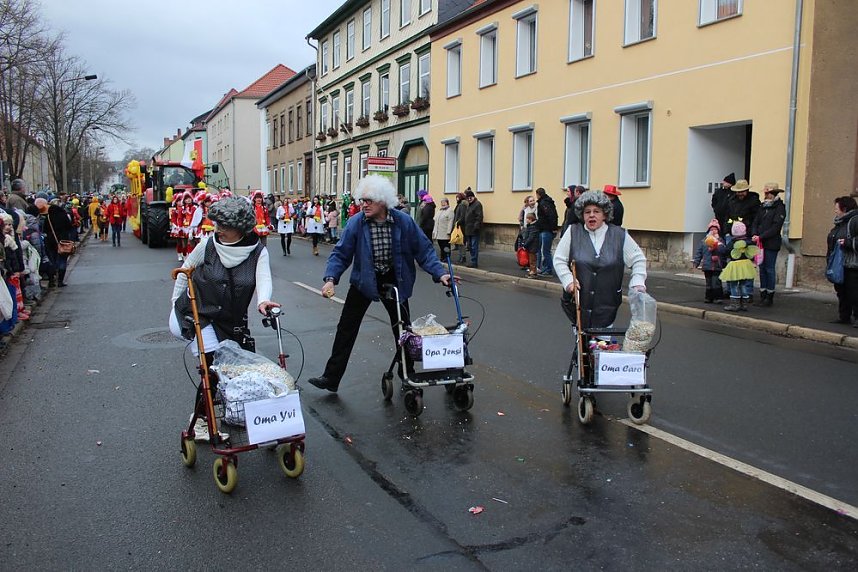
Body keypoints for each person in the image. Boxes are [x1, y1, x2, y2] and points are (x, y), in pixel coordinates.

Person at [305, 175, 453, 393]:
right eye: (362, 200)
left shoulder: (404, 222)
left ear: (383, 201)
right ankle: (331, 377)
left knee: (403, 330)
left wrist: (440, 273)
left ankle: (407, 375)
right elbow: (341, 254)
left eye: (368, 201)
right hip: (364, 280)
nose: (363, 204)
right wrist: (330, 280)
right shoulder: (357, 223)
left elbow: (423, 250)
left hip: (395, 279)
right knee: (346, 328)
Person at [552, 190, 647, 329]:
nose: (591, 215)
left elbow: (638, 260)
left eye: (596, 211)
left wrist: (638, 281)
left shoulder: (619, 235)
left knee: (602, 345)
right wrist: (568, 281)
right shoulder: (573, 232)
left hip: (607, 304)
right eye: (587, 212)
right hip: (578, 304)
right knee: (582, 346)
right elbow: (559, 259)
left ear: (604, 214)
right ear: (582, 215)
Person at [751, 183, 787, 306]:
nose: (765, 195)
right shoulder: (762, 206)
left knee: (769, 268)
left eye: (767, 193)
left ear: (773, 194)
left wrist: (761, 236)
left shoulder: (779, 207)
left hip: (771, 242)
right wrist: (755, 233)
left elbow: (776, 227)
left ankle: (769, 296)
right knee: (761, 268)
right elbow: (756, 221)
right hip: (760, 242)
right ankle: (763, 293)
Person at [827, 196, 858, 326]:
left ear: (844, 209)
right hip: (840, 263)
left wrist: (847, 243)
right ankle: (844, 316)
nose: (835, 211)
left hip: (853, 263)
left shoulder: (855, 221)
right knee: (841, 291)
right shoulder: (840, 222)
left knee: (854, 291)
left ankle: (857, 317)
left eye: (836, 208)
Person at [720, 220, 758, 312]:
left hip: (735, 265)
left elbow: (725, 252)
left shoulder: (732, 243)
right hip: (745, 265)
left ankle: (735, 304)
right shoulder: (748, 242)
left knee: (733, 285)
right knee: (743, 284)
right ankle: (744, 304)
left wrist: (720, 246)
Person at [39, 197, 73, 287]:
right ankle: (60, 281)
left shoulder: (48, 217)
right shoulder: (63, 215)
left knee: (52, 260)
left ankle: (51, 280)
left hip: (51, 241)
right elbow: (69, 226)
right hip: (63, 241)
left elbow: (45, 229)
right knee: (62, 260)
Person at [693, 219, 727, 303]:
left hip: (717, 265)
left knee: (716, 282)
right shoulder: (704, 241)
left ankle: (718, 297)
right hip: (707, 265)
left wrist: (717, 244)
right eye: (711, 229)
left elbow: (723, 251)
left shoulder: (720, 241)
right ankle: (708, 297)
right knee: (708, 283)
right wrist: (696, 262)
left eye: (715, 229)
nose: (713, 231)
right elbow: (699, 252)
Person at [534, 187, 558, 275]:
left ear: (538, 194)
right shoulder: (546, 202)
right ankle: (545, 268)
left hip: (546, 229)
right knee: (544, 250)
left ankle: (548, 269)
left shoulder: (544, 203)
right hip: (544, 229)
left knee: (546, 251)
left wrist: (553, 228)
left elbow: (550, 216)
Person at [462, 189, 483, 268]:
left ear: (473, 197)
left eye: (471, 197)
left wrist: (476, 226)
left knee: (474, 246)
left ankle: (474, 262)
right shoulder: (469, 205)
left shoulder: (477, 204)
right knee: (470, 246)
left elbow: (479, 216)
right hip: (468, 229)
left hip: (474, 229)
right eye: (468, 198)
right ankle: (472, 260)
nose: (469, 199)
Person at [521, 212, 540, 278]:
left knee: (532, 260)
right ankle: (532, 271)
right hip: (531, 246)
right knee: (531, 259)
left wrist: (525, 245)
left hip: (533, 246)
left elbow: (530, 238)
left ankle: (533, 272)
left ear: (531, 219)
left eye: (527, 219)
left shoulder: (533, 227)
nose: (526, 220)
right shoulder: (531, 226)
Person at [452, 192, 468, 264]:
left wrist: (458, 222)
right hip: (459, 225)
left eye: (458, 197)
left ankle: (463, 257)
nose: (456, 199)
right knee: (460, 242)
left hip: (461, 226)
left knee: (462, 242)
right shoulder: (459, 205)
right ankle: (461, 257)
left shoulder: (462, 205)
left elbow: (462, 216)